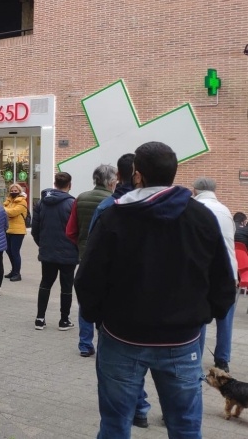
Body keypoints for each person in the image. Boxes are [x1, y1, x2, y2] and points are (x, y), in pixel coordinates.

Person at [74, 141, 236, 439]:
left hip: (122, 337)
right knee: (185, 426)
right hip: (181, 340)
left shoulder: (115, 215)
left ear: (137, 175)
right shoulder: (200, 217)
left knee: (114, 425)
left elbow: (87, 278)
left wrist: (99, 318)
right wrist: (202, 316)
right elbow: (224, 280)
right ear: (174, 173)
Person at [87, 154, 151, 429]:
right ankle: (141, 408)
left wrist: (93, 312)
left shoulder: (107, 207)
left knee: (118, 375)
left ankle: (135, 409)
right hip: (163, 314)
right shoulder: (176, 209)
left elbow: (91, 257)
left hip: (116, 310)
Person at [66, 164, 117, 357]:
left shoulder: (80, 198)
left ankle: (85, 344)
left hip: (86, 257)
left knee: (85, 301)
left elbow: (71, 231)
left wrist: (81, 246)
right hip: (108, 260)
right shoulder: (114, 201)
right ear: (112, 182)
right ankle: (106, 342)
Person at [192, 177, 238, 374]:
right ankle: (222, 360)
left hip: (204, 273)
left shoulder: (194, 209)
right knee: (225, 319)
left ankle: (195, 357)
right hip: (229, 272)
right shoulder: (226, 210)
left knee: (199, 318)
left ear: (195, 190)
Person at [31, 172, 77, 331]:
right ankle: (64, 320)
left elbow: (34, 230)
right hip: (68, 252)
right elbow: (76, 229)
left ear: (55, 184)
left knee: (45, 283)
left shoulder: (42, 203)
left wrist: (42, 244)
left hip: (48, 252)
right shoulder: (72, 203)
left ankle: (40, 318)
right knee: (66, 286)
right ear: (69, 185)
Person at [3, 184, 28, 281]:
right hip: (8, 229)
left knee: (15, 252)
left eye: (15, 190)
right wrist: (7, 211)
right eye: (12, 190)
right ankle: (13, 270)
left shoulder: (22, 201)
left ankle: (17, 273)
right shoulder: (8, 201)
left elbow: (13, 212)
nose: (13, 192)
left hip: (18, 231)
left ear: (19, 191)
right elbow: (9, 212)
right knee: (8, 251)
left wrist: (4, 210)